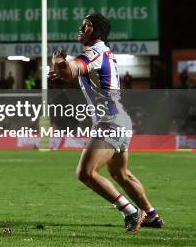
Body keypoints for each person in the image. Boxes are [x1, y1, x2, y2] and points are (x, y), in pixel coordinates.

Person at [49, 14, 164, 232]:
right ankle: (151, 215)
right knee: (121, 174)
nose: (81, 27)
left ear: (98, 31)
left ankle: (130, 211)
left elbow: (72, 68)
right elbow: (79, 73)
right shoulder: (103, 52)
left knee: (86, 172)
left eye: (87, 25)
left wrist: (59, 63)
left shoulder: (94, 51)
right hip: (120, 119)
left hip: (109, 122)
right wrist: (65, 71)